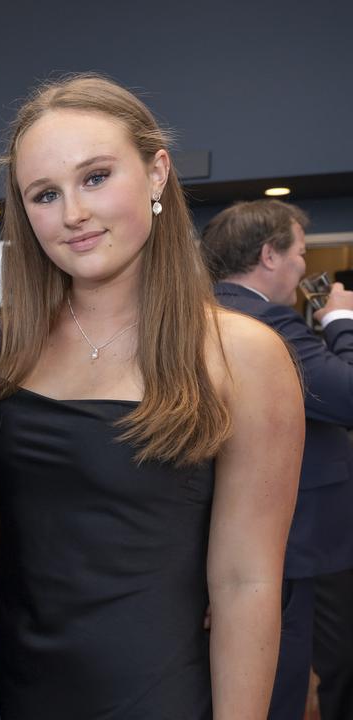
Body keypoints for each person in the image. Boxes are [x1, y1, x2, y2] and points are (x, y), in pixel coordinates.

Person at [0, 74, 303, 719]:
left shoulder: (241, 354)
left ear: (158, 172)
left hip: (156, 693)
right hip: (3, 688)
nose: (73, 212)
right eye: (46, 194)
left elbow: (246, 584)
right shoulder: (4, 347)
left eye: (96, 177)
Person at [201, 199, 353, 720]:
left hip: (267, 538)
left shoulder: (205, 312)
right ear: (270, 255)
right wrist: (341, 322)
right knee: (281, 682)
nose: (302, 268)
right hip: (293, 541)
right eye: (300, 254)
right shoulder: (264, 324)